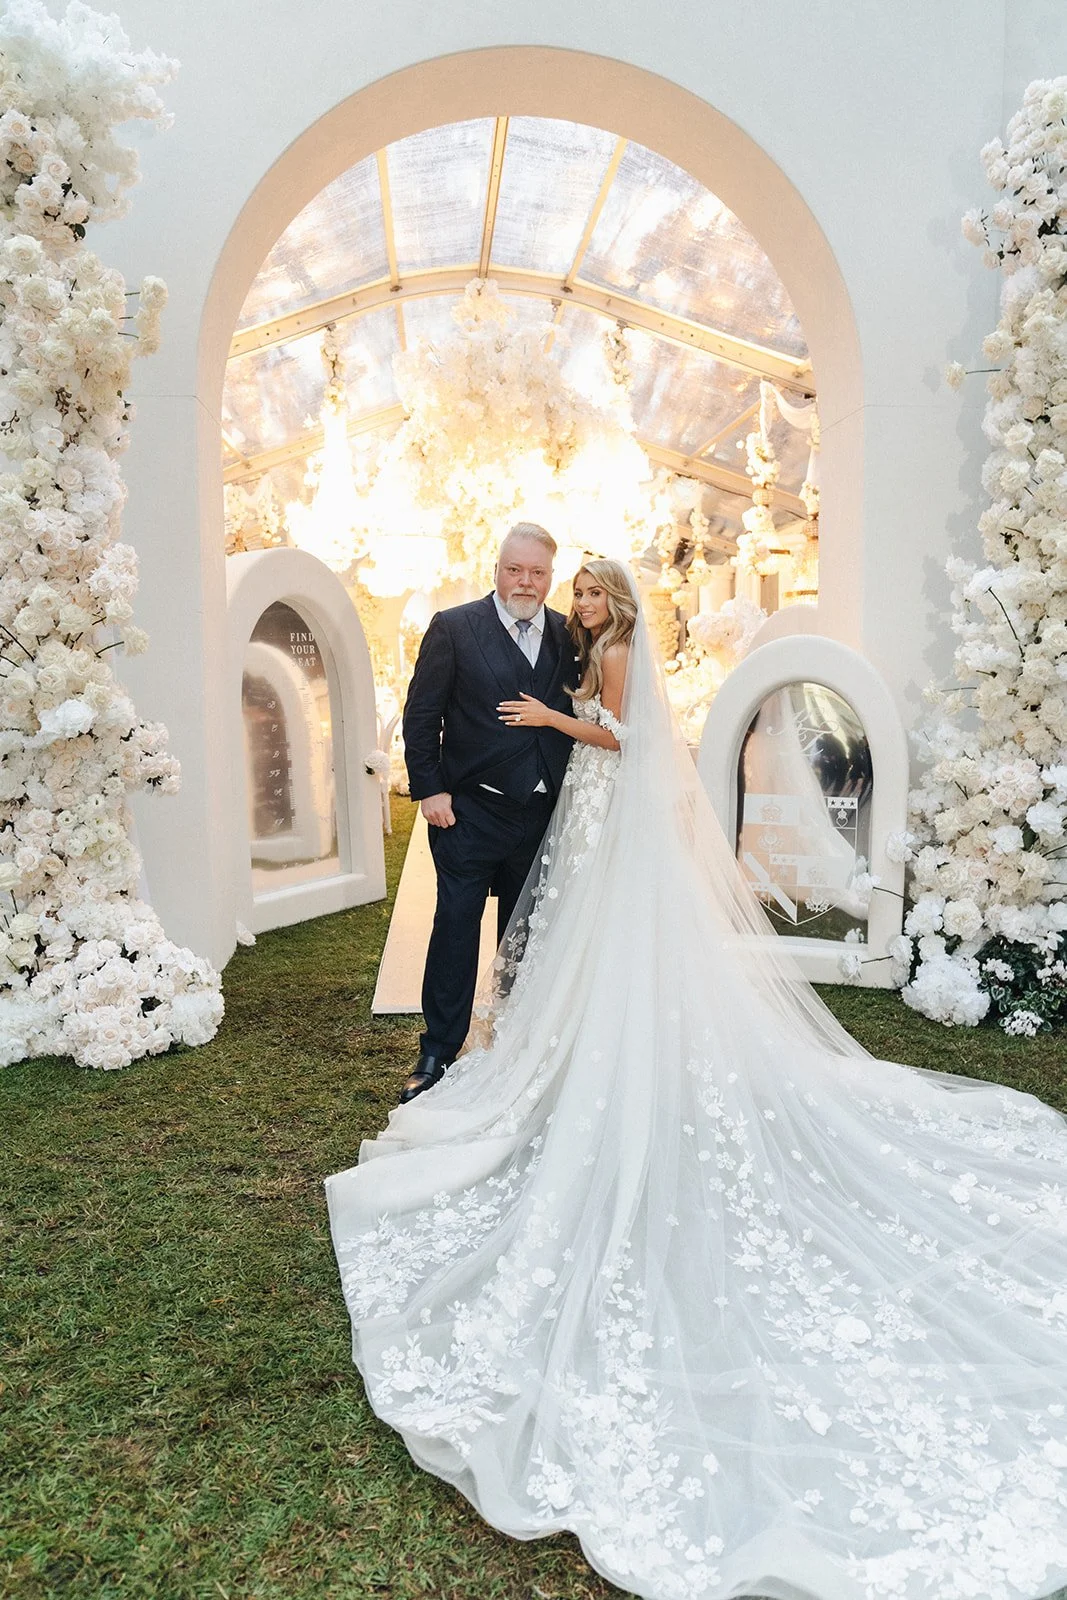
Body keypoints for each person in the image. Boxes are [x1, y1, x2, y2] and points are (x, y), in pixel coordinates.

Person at [326, 560, 1067, 1600]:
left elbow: (628, 739)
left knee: (604, 943)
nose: (575, 605)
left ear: (610, 602)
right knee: (577, 944)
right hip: (577, 814)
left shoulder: (616, 654)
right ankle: (556, 1042)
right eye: (565, 590)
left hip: (597, 801)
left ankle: (597, 1051)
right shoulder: (591, 649)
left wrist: (554, 711)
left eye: (585, 592)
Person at [398, 522, 577, 1104]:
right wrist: (431, 789)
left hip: (542, 815)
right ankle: (438, 1050)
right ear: (495, 570)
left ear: (552, 576)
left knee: (522, 933)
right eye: (515, 569)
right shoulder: (454, 628)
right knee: (455, 928)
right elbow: (422, 714)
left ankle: (512, 1046)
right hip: (469, 812)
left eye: (538, 572)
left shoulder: (567, 634)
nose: (526, 581)